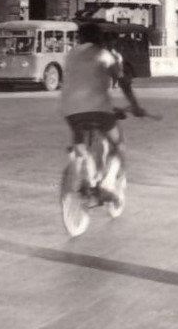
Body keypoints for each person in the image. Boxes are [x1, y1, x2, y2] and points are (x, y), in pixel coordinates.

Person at [61, 20, 147, 203]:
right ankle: (107, 184)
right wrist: (135, 106)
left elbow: (81, 81)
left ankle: (84, 171)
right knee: (118, 145)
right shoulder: (104, 55)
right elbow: (123, 82)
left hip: (69, 109)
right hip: (98, 108)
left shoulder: (70, 54)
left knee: (80, 141)